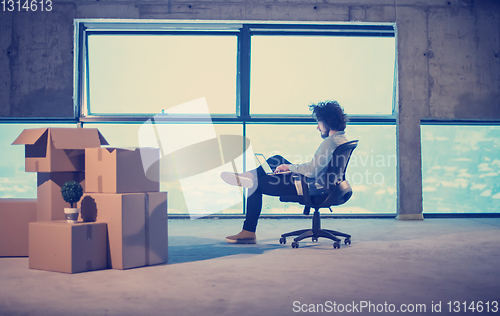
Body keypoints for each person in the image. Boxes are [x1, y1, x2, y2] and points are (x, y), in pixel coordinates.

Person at [220, 101, 349, 244]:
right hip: (320, 184)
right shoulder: (341, 140)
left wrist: (291, 168)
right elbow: (316, 168)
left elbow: (312, 171)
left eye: (319, 122)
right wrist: (289, 167)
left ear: (327, 122)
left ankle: (248, 232)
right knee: (277, 160)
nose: (317, 127)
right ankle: (248, 175)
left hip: (309, 186)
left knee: (254, 185)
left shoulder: (329, 143)